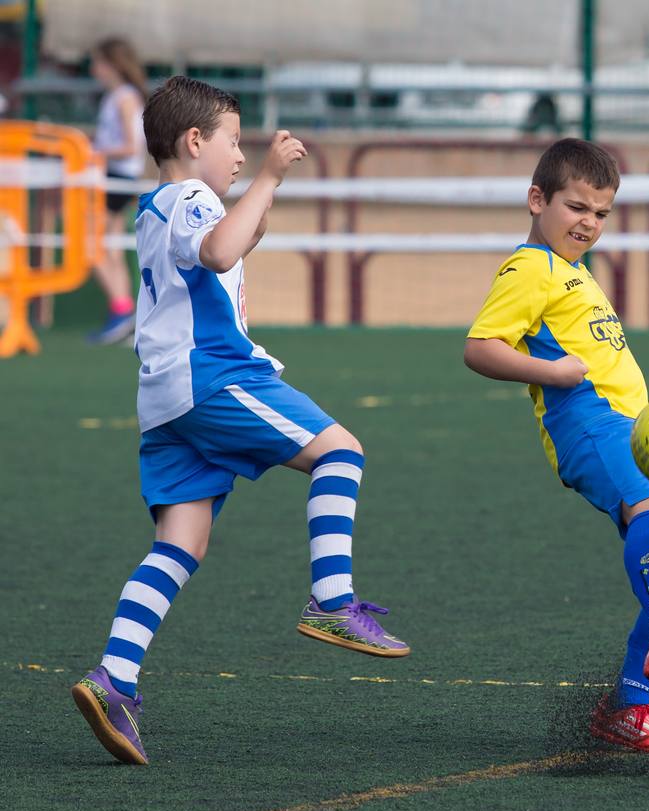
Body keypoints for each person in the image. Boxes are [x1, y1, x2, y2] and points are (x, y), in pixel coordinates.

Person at [70, 76, 410, 766]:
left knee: (180, 546)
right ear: (195, 141)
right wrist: (271, 175)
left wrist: (262, 194)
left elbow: (230, 247)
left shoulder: (155, 206)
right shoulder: (193, 197)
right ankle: (332, 599)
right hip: (215, 376)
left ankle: (115, 678)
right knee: (341, 453)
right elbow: (222, 252)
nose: (239, 155)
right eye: (232, 141)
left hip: (164, 401)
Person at [463, 138, 649, 754]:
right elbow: (480, 347)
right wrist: (553, 373)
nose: (588, 222)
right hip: (590, 424)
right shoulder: (529, 267)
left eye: (601, 213)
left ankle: (627, 709)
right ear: (538, 200)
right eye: (576, 207)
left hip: (635, 426)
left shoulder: (572, 271)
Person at [87, 37, 149, 345]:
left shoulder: (124, 98)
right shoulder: (119, 96)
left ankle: (122, 308)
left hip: (117, 177)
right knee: (108, 248)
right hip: (118, 177)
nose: (93, 69)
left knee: (89, 246)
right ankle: (123, 311)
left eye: (98, 62)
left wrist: (95, 153)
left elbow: (130, 146)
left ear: (112, 65)